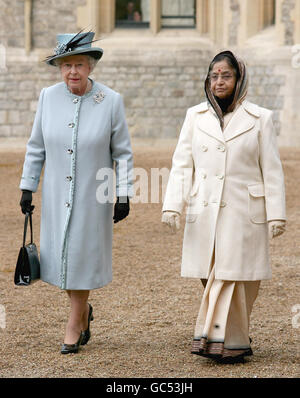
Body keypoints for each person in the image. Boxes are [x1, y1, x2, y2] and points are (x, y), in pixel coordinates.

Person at [162, 50, 286, 364]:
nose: (219, 81)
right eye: (214, 75)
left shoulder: (261, 119)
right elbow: (181, 165)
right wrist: (172, 205)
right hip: (205, 211)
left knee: (238, 279)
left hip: (244, 214)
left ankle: (228, 339)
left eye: (226, 75)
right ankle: (233, 339)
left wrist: (277, 213)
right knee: (214, 277)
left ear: (238, 79)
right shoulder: (194, 117)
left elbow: (271, 170)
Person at [19, 31, 133, 354]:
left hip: (92, 195)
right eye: (67, 65)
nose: (73, 72)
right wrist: (28, 186)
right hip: (57, 195)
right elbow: (36, 146)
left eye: (79, 65)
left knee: (81, 258)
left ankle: (73, 324)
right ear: (59, 67)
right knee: (62, 260)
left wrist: (123, 193)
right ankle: (83, 312)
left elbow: (122, 153)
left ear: (91, 66)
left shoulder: (110, 101)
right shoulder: (47, 97)